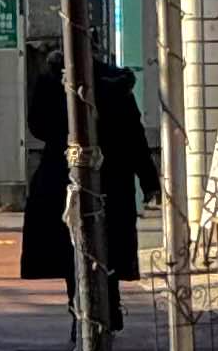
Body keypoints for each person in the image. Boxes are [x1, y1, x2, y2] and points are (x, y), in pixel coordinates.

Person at [19, 53, 161, 328]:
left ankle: (80, 311)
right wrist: (148, 180)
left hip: (63, 178)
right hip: (113, 179)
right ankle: (109, 304)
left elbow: (37, 126)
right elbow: (135, 137)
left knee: (72, 249)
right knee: (108, 246)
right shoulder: (117, 84)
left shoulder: (53, 82)